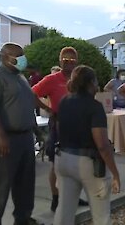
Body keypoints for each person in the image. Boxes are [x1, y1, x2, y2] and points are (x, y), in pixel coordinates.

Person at [0, 42, 40, 225]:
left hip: (25, 137)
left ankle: (23, 219)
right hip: (6, 139)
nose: (22, 59)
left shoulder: (20, 77)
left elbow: (28, 106)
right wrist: (1, 135)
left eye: (22, 55)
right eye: (18, 56)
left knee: (25, 184)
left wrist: (37, 131)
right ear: (6, 57)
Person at [54, 65, 121, 225]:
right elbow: (102, 145)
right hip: (88, 162)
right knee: (101, 215)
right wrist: (115, 173)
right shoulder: (94, 107)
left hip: (63, 158)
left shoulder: (64, 101)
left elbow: (58, 128)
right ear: (91, 83)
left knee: (64, 211)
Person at [32, 47, 88, 212]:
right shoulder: (51, 79)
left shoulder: (80, 79)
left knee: (77, 164)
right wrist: (48, 109)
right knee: (56, 164)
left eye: (71, 60)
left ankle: (74, 197)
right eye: (65, 59)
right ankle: (56, 199)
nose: (68, 63)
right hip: (59, 126)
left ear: (76, 61)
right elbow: (32, 93)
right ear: (60, 60)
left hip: (78, 126)